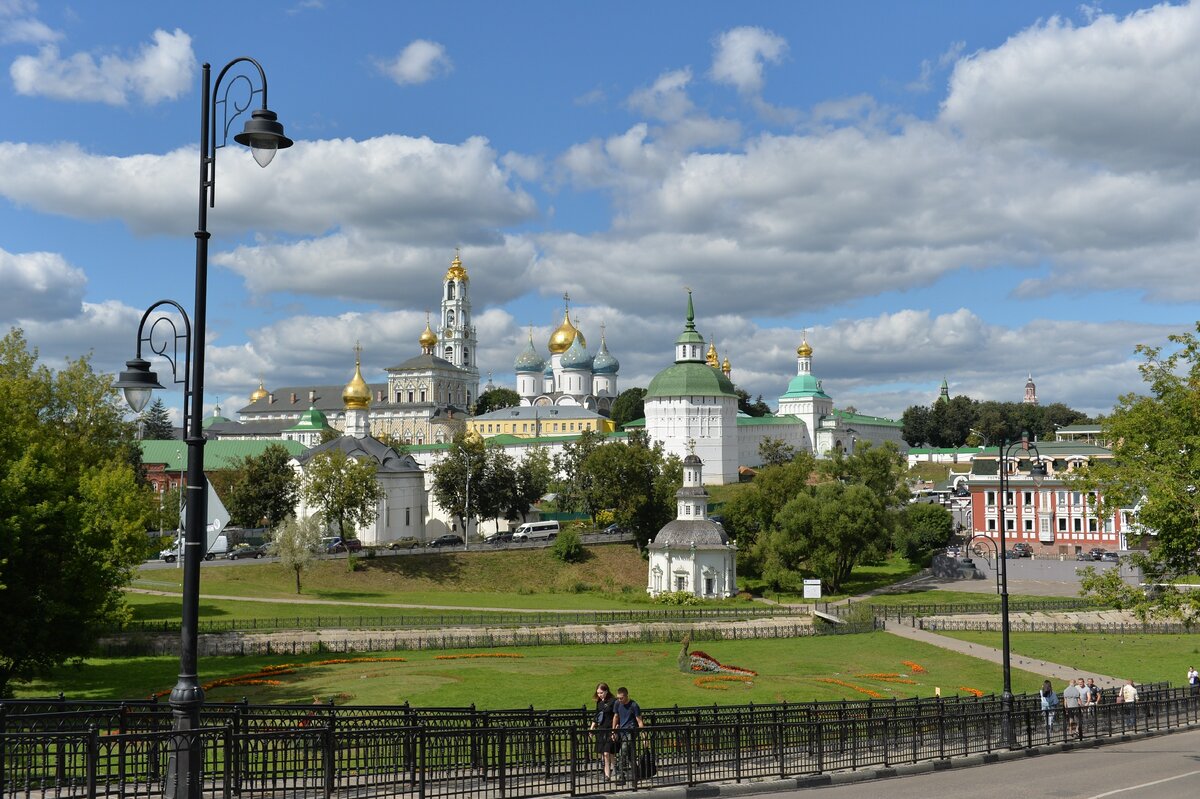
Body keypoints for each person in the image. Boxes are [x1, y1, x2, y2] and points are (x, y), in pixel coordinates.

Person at [611, 686, 645, 785]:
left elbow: (639, 721)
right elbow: (615, 717)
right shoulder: (617, 703)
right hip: (622, 732)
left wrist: (644, 736)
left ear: (626, 696)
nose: (619, 700)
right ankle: (636, 775)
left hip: (631, 732)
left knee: (622, 752)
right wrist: (613, 731)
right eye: (618, 698)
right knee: (630, 755)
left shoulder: (633, 705)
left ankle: (622, 776)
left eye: (621, 698)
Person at [588, 683, 617, 779]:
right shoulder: (599, 703)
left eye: (601, 693)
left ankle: (614, 768)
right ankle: (608, 774)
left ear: (606, 691)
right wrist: (591, 729)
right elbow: (596, 716)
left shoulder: (613, 701)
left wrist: (615, 730)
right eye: (598, 693)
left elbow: (616, 716)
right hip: (601, 729)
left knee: (608, 752)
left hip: (610, 729)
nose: (599, 695)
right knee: (605, 754)